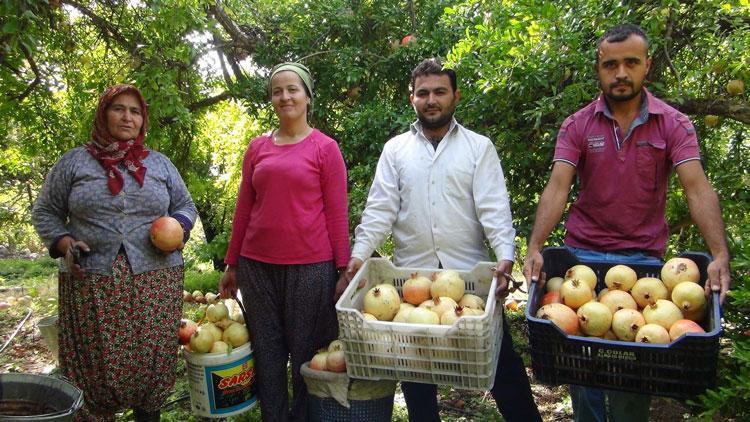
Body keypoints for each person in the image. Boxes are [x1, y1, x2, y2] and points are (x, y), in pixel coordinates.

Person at [522, 23, 731, 422]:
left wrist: (719, 254)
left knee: (634, 371)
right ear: (599, 68)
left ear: (646, 65)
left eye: (631, 63)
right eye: (611, 64)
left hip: (645, 264)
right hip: (582, 257)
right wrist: (534, 247)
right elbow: (557, 186)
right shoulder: (577, 125)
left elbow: (697, 188)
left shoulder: (674, 124)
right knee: (581, 366)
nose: (620, 73)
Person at [344, 58, 542, 422]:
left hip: (470, 282)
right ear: (412, 98)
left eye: (439, 92)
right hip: (413, 283)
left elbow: (494, 208)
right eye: (423, 93)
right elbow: (380, 209)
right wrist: (358, 255)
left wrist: (505, 257)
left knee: (503, 370)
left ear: (455, 96)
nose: (431, 100)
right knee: (418, 378)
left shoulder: (478, 148)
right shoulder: (396, 150)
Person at [32, 84, 197, 422]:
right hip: (91, 282)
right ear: (103, 113)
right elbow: (45, 210)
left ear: (143, 120)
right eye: (118, 108)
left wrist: (177, 229)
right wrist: (64, 243)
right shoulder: (74, 162)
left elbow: (186, 206)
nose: (127, 117)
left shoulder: (160, 165)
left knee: (150, 362)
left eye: (135, 111)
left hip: (155, 281)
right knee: (94, 366)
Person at [219, 62, 350, 422]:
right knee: (268, 353)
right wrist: (232, 264)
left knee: (306, 355)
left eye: (292, 89)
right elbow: (244, 209)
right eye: (277, 91)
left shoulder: (325, 148)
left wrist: (343, 269)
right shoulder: (257, 148)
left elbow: (337, 214)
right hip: (256, 267)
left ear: (307, 96)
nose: (284, 96)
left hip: (310, 267)